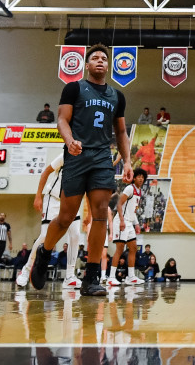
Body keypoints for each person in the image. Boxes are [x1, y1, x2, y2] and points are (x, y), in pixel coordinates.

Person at [29, 44, 131, 297]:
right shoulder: (74, 88)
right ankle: (45, 252)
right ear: (87, 65)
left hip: (101, 158)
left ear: (108, 66)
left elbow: (120, 132)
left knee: (99, 215)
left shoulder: (117, 96)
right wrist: (69, 140)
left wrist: (127, 161)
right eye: (95, 58)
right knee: (66, 217)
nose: (100, 61)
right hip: (76, 155)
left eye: (104, 58)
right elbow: (62, 119)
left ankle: (92, 277)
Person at [23, 151, 86, 288]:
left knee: (75, 235)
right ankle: (27, 269)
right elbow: (46, 171)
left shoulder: (89, 161)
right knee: (45, 236)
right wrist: (38, 196)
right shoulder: (68, 154)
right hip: (53, 200)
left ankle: (70, 276)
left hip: (71, 202)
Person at [109, 168, 147, 286]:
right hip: (122, 221)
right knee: (120, 249)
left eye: (142, 177)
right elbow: (119, 204)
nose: (141, 178)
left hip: (130, 222)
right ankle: (111, 277)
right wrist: (121, 220)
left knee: (133, 248)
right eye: (138, 176)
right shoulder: (129, 188)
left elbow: (133, 210)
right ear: (134, 178)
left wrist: (136, 224)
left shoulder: (139, 191)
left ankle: (131, 277)